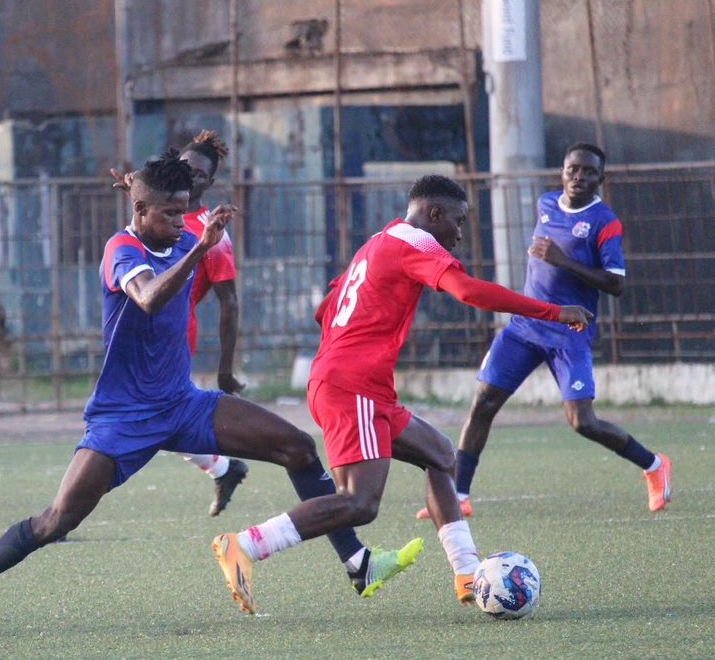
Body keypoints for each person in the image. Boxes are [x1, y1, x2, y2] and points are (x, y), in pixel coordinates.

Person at [0, 150, 411, 638]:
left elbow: (202, 257)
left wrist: (147, 192)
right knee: (56, 522)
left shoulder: (175, 230)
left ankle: (357, 562)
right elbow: (148, 298)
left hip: (184, 405)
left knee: (299, 448)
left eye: (185, 211)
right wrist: (198, 248)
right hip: (123, 419)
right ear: (140, 211)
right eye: (170, 213)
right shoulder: (123, 250)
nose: (181, 221)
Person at [212, 175, 593, 615]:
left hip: (360, 385)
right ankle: (245, 546)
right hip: (352, 386)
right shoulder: (416, 243)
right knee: (360, 502)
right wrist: (552, 311)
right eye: (458, 220)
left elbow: (327, 306)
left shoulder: (380, 239)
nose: (459, 233)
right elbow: (468, 291)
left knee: (441, 455)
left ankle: (468, 573)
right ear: (434, 213)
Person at [418, 143, 671, 521]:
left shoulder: (605, 222)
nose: (578, 177)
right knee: (483, 402)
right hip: (526, 325)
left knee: (582, 421)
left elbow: (616, 284)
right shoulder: (546, 204)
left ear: (601, 178)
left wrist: (562, 261)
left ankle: (653, 465)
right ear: (563, 171)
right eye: (573, 169)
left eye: (588, 172)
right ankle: (459, 495)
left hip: (570, 332)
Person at [111, 129, 250, 518]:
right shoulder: (162, 207)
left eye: (200, 173)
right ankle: (223, 467)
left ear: (210, 182)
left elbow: (230, 302)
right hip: (137, 325)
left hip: (168, 330)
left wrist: (225, 370)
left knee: (127, 419)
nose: (190, 175)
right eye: (185, 166)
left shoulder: (211, 233)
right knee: (148, 420)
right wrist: (134, 188)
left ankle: (65, 510)